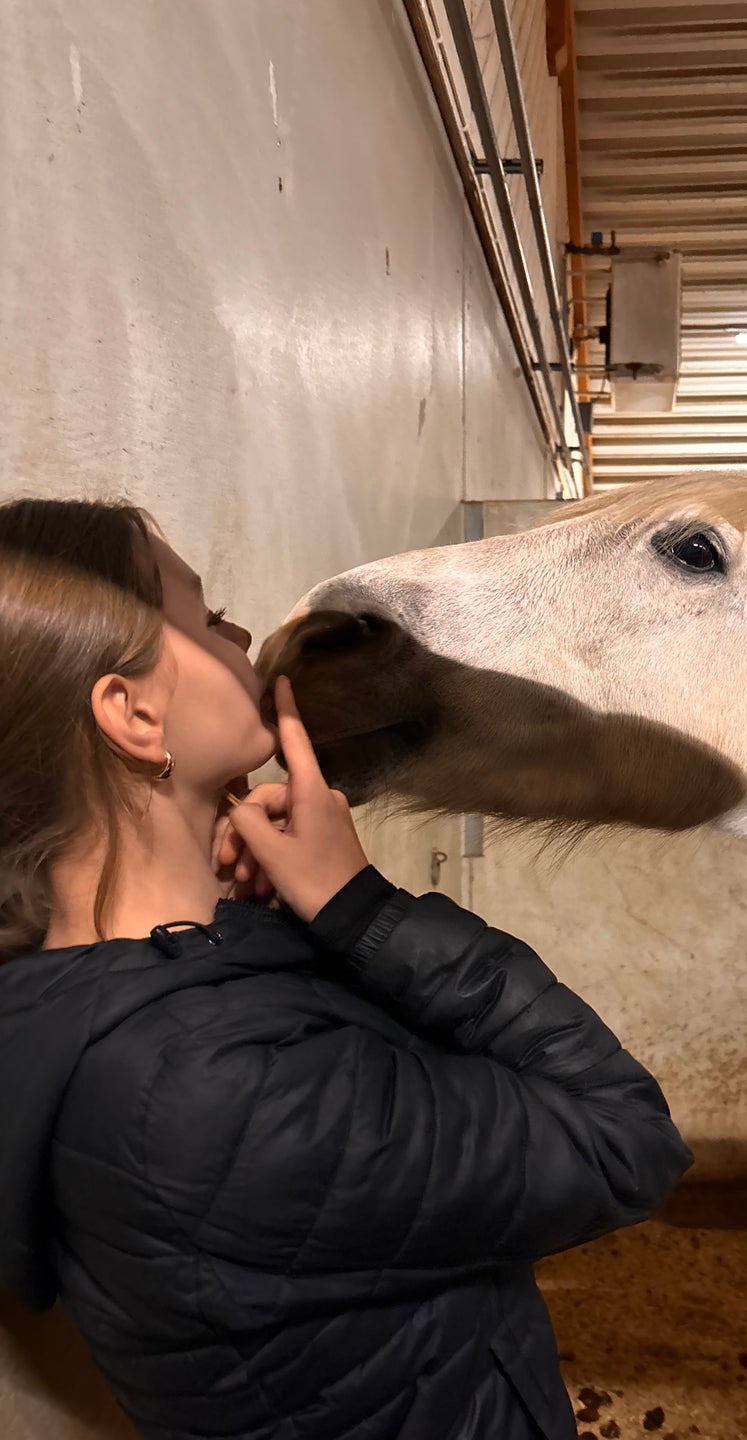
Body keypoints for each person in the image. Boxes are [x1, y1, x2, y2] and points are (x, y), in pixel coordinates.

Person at [0, 497, 694, 1440]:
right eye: (205, 617)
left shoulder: (94, 999)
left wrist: (283, 924)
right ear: (134, 714)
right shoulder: (218, 1089)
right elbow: (626, 1139)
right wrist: (361, 908)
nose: (242, 636)